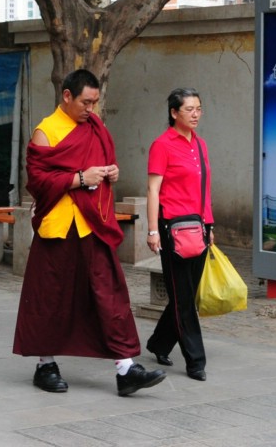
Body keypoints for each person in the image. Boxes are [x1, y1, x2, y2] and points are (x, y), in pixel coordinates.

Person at [13, 69, 166, 396]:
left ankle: (126, 368)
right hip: (58, 226)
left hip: (92, 224)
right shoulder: (46, 131)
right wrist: (80, 178)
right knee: (50, 295)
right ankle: (45, 364)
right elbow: (38, 183)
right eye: (86, 102)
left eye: (95, 103)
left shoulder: (96, 128)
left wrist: (110, 172)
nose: (91, 110)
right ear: (66, 96)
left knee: (108, 291)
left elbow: (104, 165)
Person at [145, 87, 215, 382]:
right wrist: (152, 230)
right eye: (189, 109)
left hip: (198, 228)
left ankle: (159, 343)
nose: (196, 114)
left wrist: (210, 226)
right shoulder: (162, 145)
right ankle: (196, 361)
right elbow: (153, 190)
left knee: (183, 296)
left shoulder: (200, 145)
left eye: (199, 108)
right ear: (174, 113)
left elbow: (205, 190)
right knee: (184, 299)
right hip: (171, 229)